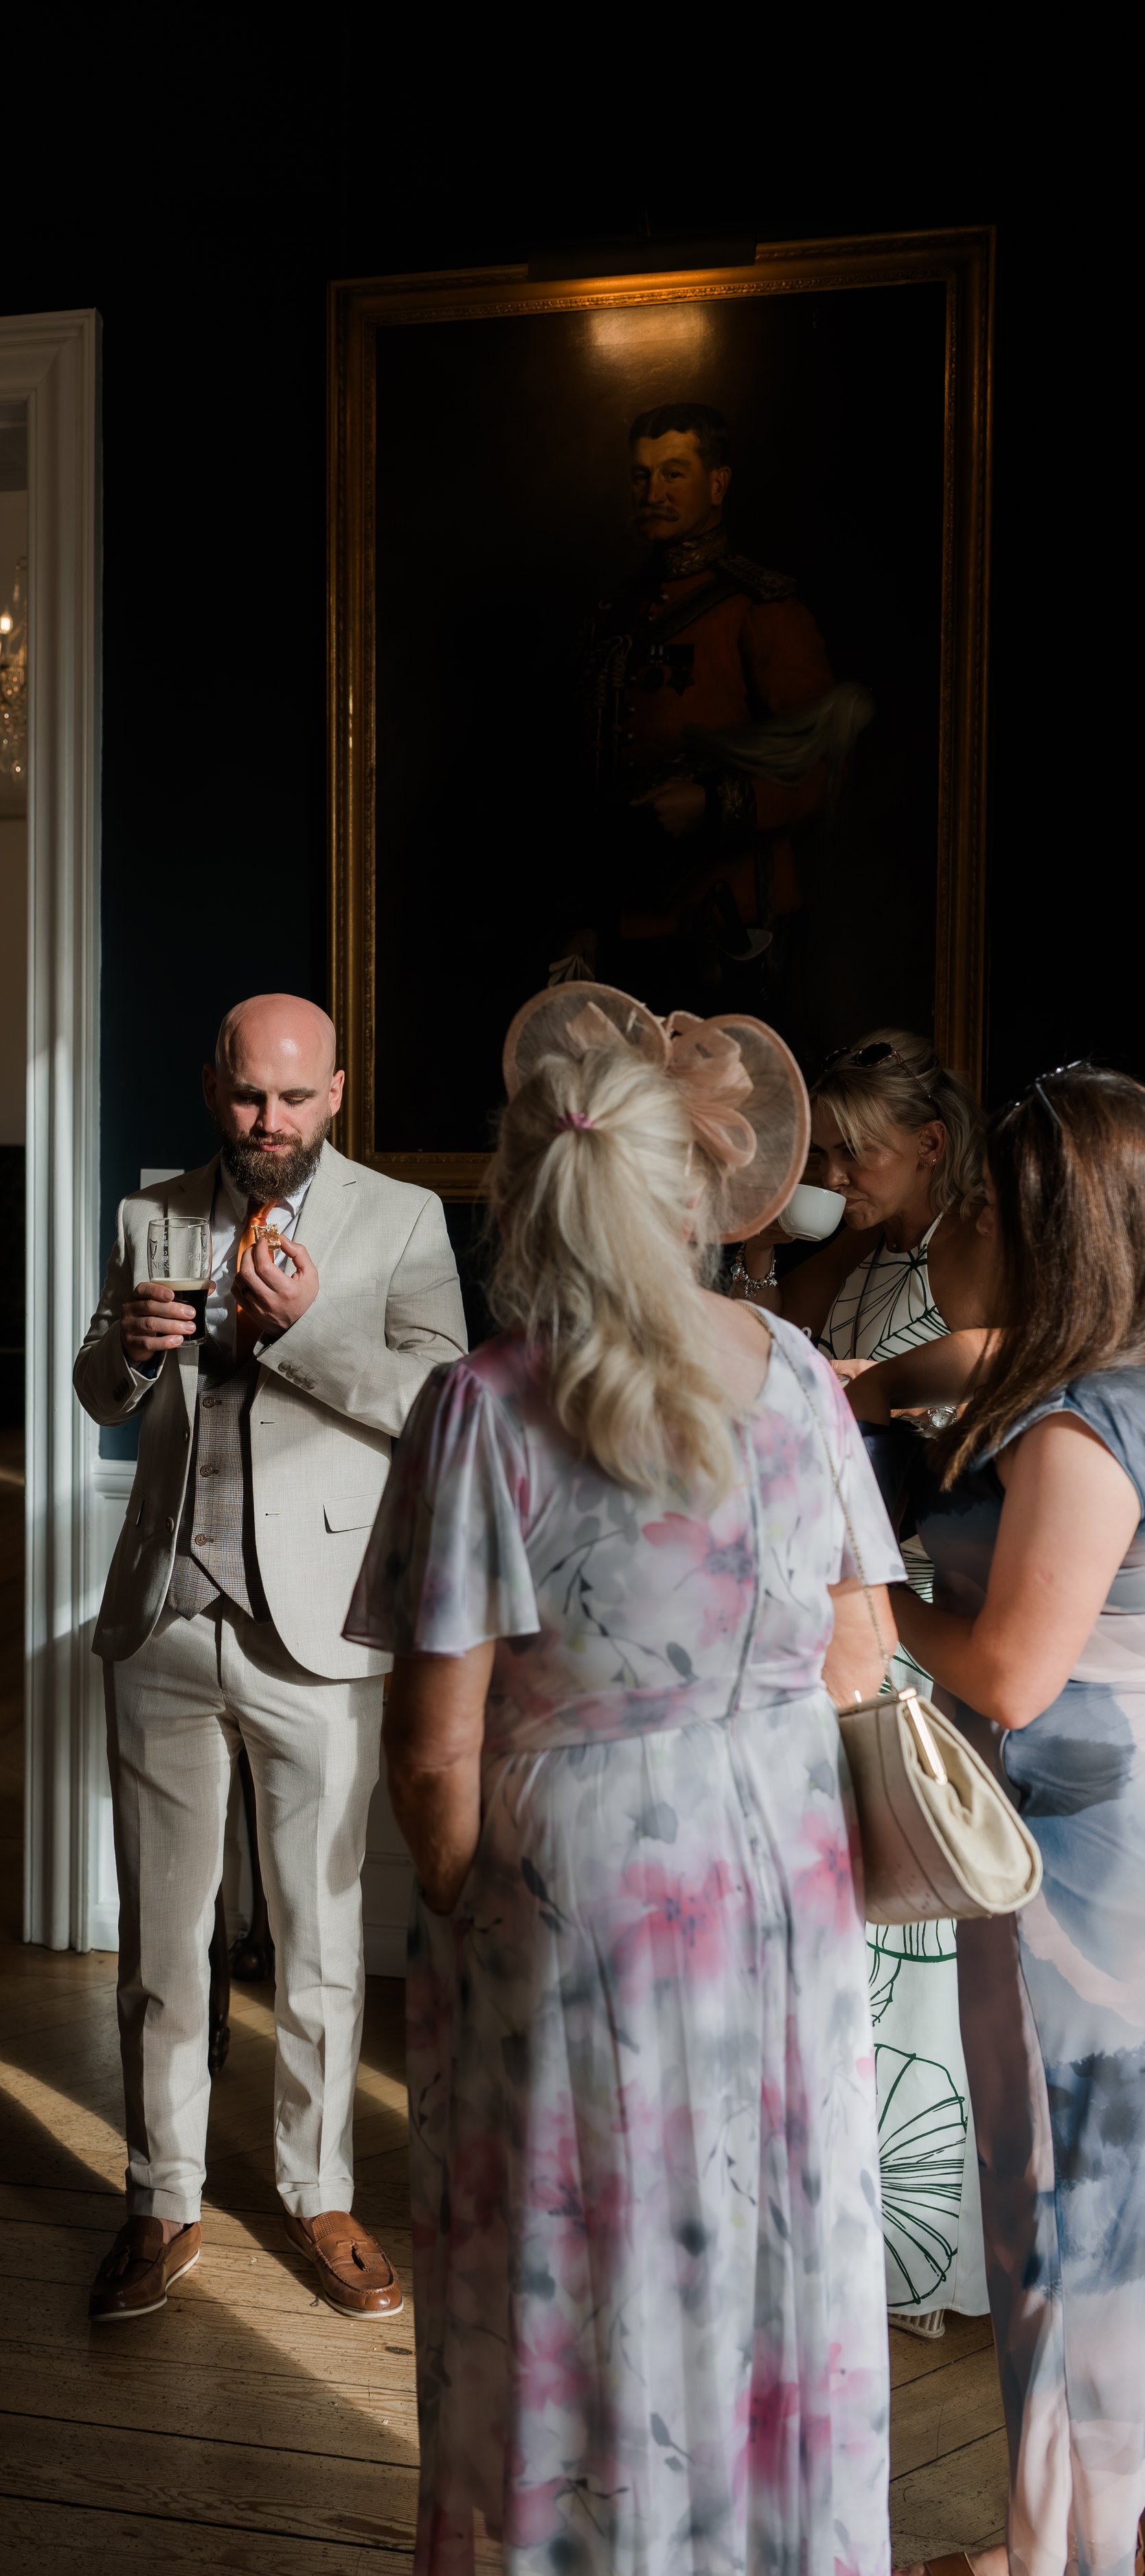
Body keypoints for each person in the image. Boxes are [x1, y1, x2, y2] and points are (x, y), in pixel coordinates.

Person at [346, 981, 901, 2576]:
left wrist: (474, 1903)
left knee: (579, 2257)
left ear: (518, 1195)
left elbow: (433, 1743)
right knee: (764, 2239)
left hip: (575, 1887)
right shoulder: (797, 1372)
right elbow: (857, 1652)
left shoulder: (484, 1406)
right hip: (779, 1882)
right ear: (697, 1192)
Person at [72, 993, 466, 2324]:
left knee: (318, 1937)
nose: (271, 1123)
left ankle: (317, 2194)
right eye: (249, 1096)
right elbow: (94, 1385)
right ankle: (159, 2199)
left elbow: (437, 1402)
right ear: (210, 1087)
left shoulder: (401, 1222)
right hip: (166, 1613)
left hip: (316, 1629)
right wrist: (120, 1355)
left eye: (296, 1099)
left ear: (337, 1094)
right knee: (160, 1941)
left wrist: (309, 1332)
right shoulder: (152, 1215)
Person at [865, 1064, 1145, 2576]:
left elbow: (1008, 1673)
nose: (948, 1218)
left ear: (1040, 1232)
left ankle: (1056, 2556)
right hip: (1103, 1853)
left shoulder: (1082, 1430)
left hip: (1070, 1885)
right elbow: (959, 1354)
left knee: (1064, 2212)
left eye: (972, 1202)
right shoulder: (1092, 1376)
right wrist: (878, 1383)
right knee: (1090, 2210)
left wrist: (873, 1606)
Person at [735, 1026, 998, 2335]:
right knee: (853, 1924)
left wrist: (875, 1389)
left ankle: (919, 2231)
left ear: (933, 1145)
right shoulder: (855, 1255)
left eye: (855, 1149)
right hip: (838, 1600)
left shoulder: (976, 1252)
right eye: (822, 1149)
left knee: (914, 1914)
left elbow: (1006, 1356)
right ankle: (838, 2207)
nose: (835, 1168)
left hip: (921, 1602)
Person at [561, 400, 854, 1008]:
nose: (653, 491)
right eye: (641, 476)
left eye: (674, 472)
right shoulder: (616, 613)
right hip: (629, 919)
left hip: (733, 921)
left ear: (718, 483)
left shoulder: (762, 609)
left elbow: (818, 767)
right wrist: (588, 915)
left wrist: (710, 803)